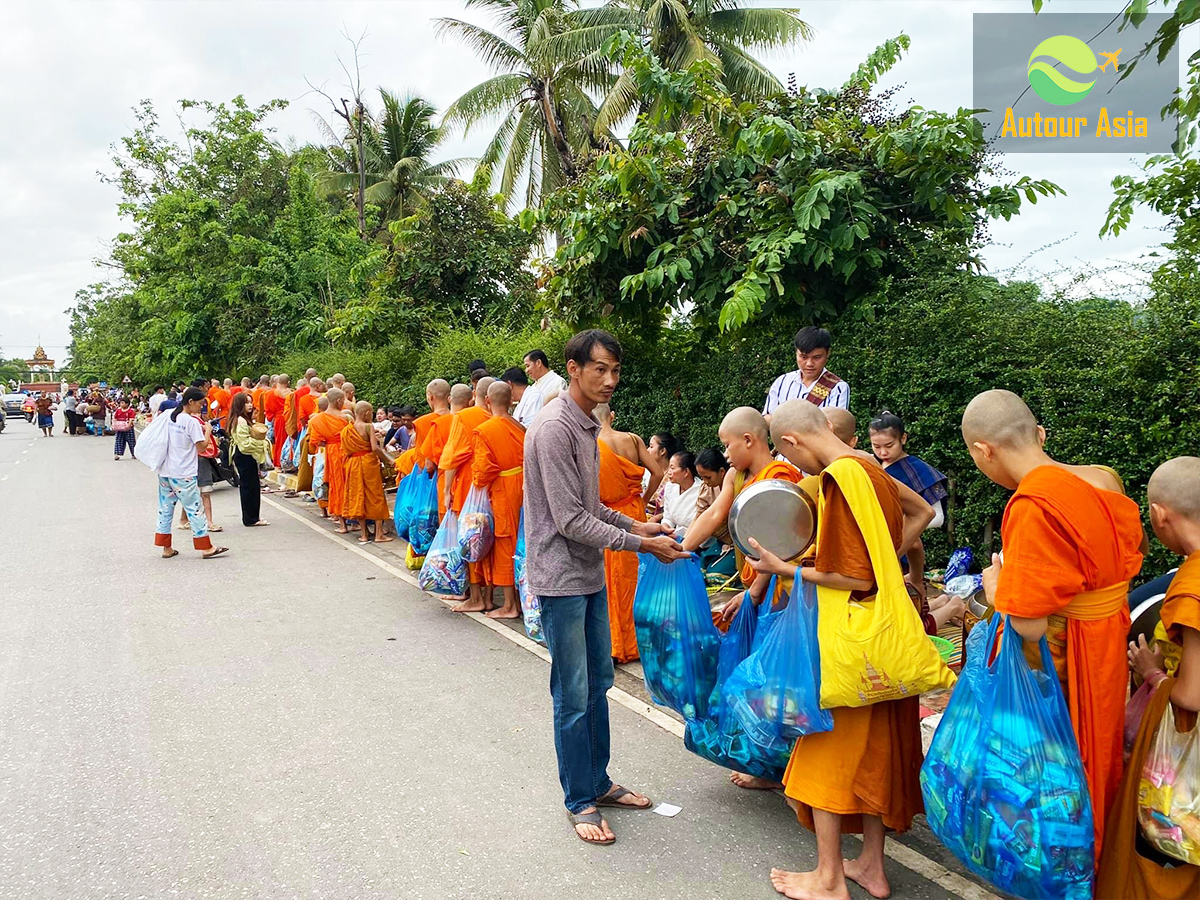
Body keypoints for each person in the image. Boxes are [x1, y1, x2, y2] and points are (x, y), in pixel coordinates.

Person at [741, 398, 932, 900]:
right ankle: (871, 865)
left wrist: (787, 570)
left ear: (792, 443)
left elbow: (853, 574)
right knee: (874, 755)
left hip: (850, 645)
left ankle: (828, 879)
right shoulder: (870, 468)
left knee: (825, 750)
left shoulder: (838, 479)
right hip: (885, 643)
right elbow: (883, 547)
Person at [964, 389, 1144, 860]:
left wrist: (996, 583)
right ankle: (1100, 866)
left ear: (984, 450)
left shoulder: (1033, 505)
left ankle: (1064, 873)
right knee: (1098, 754)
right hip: (1106, 644)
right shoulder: (1104, 479)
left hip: (1067, 661)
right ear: (1039, 434)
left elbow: (1028, 625)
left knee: (1056, 771)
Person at [524, 329, 688, 845]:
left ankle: (598, 780)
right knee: (573, 693)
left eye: (615, 370)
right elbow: (570, 520)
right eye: (600, 369)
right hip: (562, 579)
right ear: (573, 369)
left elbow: (590, 506)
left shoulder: (586, 423)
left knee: (599, 683)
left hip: (590, 573)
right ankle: (579, 800)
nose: (609, 380)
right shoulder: (552, 428)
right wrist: (643, 547)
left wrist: (642, 527)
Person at [1100, 456, 1200, 898]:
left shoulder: (1191, 585)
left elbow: (1193, 695)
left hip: (1188, 750)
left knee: (1167, 842)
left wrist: (1153, 673)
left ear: (1159, 515)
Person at [682, 407, 802, 606]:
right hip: (750, 574)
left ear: (748, 440)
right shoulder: (735, 475)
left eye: (727, 445)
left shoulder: (780, 477)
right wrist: (681, 550)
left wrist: (755, 591)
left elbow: (779, 542)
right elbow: (714, 514)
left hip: (778, 579)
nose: (726, 454)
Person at [594, 404, 663, 663]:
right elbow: (657, 472)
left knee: (614, 581)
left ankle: (618, 643)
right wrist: (644, 500)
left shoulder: (593, 443)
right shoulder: (633, 439)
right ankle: (639, 640)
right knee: (637, 577)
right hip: (636, 510)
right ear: (612, 416)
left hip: (610, 515)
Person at [153, 387, 228, 559]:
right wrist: (208, 430)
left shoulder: (171, 415)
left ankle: (166, 548)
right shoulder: (191, 422)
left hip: (166, 471)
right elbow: (201, 447)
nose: (201, 408)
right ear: (191, 402)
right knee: (195, 510)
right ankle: (206, 547)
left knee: (165, 509)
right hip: (183, 472)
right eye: (200, 404)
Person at [440, 378, 495, 612]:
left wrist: (445, 490)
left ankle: (475, 597)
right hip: (492, 487)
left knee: (469, 539)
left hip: (467, 486)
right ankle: (489, 595)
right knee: (488, 540)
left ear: (475, 394)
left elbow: (452, 457)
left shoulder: (463, 418)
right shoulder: (498, 419)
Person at [473, 380, 526, 620]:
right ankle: (525, 600)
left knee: (506, 544)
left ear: (486, 401)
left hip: (503, 490)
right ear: (512, 400)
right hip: (525, 489)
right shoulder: (521, 426)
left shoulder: (485, 430)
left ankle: (509, 605)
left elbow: (483, 470)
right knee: (523, 541)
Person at [762, 325, 849, 417]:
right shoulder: (782, 382)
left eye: (817, 357)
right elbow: (767, 417)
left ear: (828, 353)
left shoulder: (838, 388)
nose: (809, 364)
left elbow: (836, 425)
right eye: (803, 357)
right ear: (796, 353)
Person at [342, 400, 395, 544]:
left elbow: (346, 450)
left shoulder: (348, 429)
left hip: (353, 464)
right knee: (376, 496)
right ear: (366, 413)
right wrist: (388, 460)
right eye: (371, 413)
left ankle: (364, 534)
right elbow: (375, 448)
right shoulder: (368, 426)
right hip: (368, 463)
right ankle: (378, 534)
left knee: (359, 496)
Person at [422, 383, 471, 521]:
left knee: (448, 532)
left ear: (450, 399)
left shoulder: (439, 424)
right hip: (471, 483)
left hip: (447, 485)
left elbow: (429, 465)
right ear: (471, 401)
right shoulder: (477, 420)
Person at [306, 388, 352, 531]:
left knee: (336, 485)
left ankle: (343, 524)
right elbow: (354, 435)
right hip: (347, 452)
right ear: (338, 401)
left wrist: (330, 443)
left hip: (331, 453)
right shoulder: (346, 418)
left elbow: (316, 441)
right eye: (343, 401)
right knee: (350, 484)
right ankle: (355, 519)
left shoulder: (317, 420)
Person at [226, 391, 270, 527]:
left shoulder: (242, 419)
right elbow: (244, 444)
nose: (250, 405)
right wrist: (263, 444)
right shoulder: (241, 420)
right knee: (249, 487)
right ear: (240, 404)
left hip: (245, 456)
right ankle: (251, 518)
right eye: (246, 402)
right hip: (244, 456)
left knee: (252, 486)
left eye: (251, 402)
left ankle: (253, 516)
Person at [513, 349, 567, 427]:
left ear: (538, 363)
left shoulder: (557, 382)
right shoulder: (533, 387)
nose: (526, 370)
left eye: (527, 366)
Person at [659, 451, 702, 537]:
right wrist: (666, 528)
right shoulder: (670, 487)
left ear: (686, 472)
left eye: (672, 468)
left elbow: (700, 525)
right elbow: (668, 517)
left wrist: (679, 537)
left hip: (695, 538)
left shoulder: (701, 491)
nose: (669, 472)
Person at [642, 432, 677, 518]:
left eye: (651, 446)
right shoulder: (647, 471)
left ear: (662, 451)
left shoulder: (674, 476)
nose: (647, 450)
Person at [265, 374, 291, 468]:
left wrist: (270, 417)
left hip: (279, 419)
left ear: (278, 382)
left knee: (279, 441)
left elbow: (268, 409)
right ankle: (288, 461)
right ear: (288, 382)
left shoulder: (271, 393)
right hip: (289, 419)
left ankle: (279, 462)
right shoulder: (291, 393)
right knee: (290, 440)